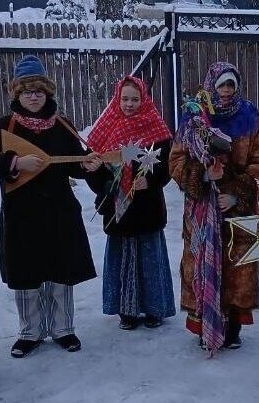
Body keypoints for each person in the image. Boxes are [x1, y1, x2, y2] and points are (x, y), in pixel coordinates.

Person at [0, 55, 103, 359]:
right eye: (26, 91)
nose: (33, 97)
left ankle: (63, 328)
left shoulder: (61, 124)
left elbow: (74, 163)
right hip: (22, 215)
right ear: (16, 94)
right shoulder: (6, 126)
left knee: (60, 272)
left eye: (39, 91)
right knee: (27, 275)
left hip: (59, 212)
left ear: (47, 93)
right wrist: (15, 162)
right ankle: (29, 332)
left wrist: (87, 165)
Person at [169, 61, 259, 353]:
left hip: (237, 211)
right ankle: (204, 324)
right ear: (211, 86)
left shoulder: (250, 117)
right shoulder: (194, 118)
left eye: (231, 84)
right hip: (202, 209)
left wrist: (237, 194)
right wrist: (203, 176)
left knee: (237, 267)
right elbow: (176, 162)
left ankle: (232, 327)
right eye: (221, 85)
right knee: (201, 264)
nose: (226, 90)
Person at [87, 76, 176, 330]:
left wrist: (151, 180)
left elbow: (167, 165)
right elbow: (94, 162)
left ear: (143, 100)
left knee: (149, 257)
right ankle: (126, 310)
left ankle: (154, 309)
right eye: (124, 99)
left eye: (134, 99)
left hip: (146, 206)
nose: (129, 104)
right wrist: (98, 174)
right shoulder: (107, 126)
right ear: (117, 98)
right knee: (123, 257)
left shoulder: (156, 128)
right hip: (118, 205)